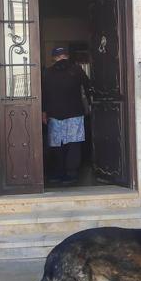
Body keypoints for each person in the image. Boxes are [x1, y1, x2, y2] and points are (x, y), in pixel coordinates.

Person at [42, 47, 92, 185]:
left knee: (57, 144)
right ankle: (72, 174)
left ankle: (58, 173)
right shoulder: (77, 69)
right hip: (75, 113)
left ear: (53, 57)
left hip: (54, 114)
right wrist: (92, 104)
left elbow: (44, 94)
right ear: (67, 56)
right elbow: (88, 86)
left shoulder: (48, 72)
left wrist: (43, 112)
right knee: (74, 143)